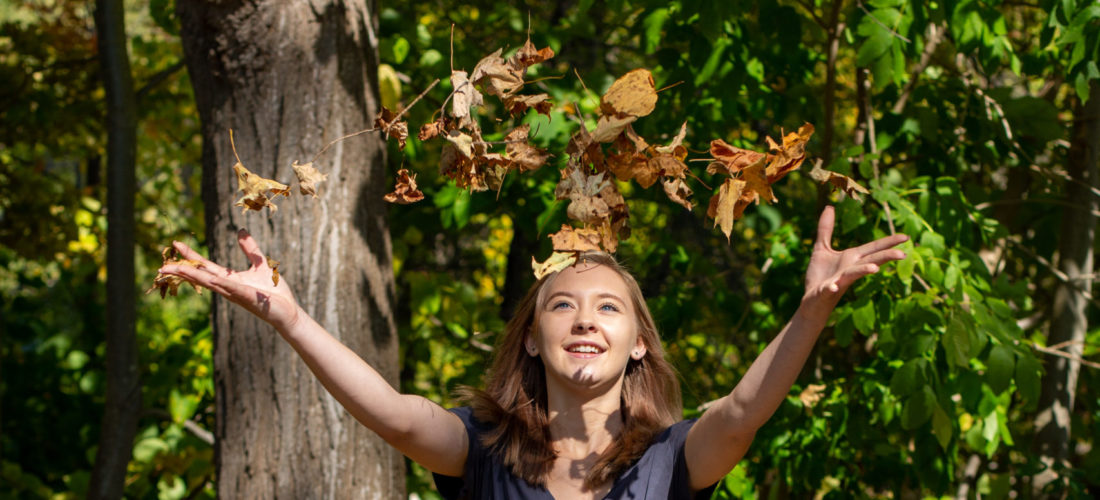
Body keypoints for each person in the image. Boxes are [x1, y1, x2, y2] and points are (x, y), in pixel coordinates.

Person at [159, 206, 907, 499]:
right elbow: (392, 413)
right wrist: (289, 317)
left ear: (638, 344)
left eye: (609, 307)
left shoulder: (674, 458)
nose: (585, 320)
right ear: (531, 337)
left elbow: (742, 412)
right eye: (562, 305)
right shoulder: (479, 449)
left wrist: (814, 308)